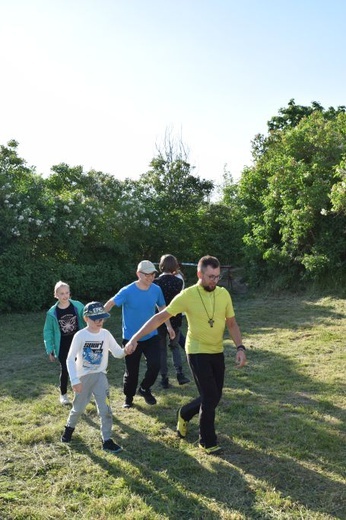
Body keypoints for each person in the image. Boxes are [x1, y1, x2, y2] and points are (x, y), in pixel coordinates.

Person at [126, 255, 247, 455]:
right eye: (210, 277)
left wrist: (240, 347)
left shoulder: (224, 294)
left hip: (217, 350)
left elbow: (232, 324)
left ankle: (185, 412)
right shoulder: (187, 295)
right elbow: (159, 317)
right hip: (197, 351)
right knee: (209, 397)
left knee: (214, 396)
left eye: (217, 277)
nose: (214, 281)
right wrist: (135, 338)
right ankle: (207, 441)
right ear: (199, 274)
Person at [61, 301, 134, 453]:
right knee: (78, 408)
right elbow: (69, 359)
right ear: (86, 318)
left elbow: (117, 353)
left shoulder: (105, 334)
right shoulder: (80, 335)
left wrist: (126, 350)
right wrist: (75, 380)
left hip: (100, 377)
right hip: (83, 378)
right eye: (96, 319)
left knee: (106, 410)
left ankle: (106, 440)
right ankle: (69, 429)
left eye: (102, 319)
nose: (100, 322)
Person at [104, 260, 174, 408]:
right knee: (132, 371)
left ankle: (144, 388)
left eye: (153, 274)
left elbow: (162, 307)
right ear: (138, 274)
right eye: (146, 275)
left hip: (151, 336)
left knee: (156, 364)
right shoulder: (127, 291)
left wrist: (169, 326)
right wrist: (98, 320)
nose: (150, 277)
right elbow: (110, 303)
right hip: (131, 338)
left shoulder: (156, 289)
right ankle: (129, 398)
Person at [43, 281, 84, 405]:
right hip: (62, 346)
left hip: (78, 343)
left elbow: (87, 318)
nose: (65, 296)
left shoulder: (78, 306)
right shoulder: (52, 313)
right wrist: (50, 349)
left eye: (67, 293)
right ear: (56, 295)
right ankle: (64, 394)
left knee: (80, 368)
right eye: (61, 293)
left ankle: (80, 392)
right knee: (66, 370)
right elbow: (48, 331)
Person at [154, 254, 190, 388]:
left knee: (162, 349)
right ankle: (180, 374)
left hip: (160, 318)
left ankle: (164, 378)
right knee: (175, 347)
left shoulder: (156, 282)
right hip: (175, 317)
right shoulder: (178, 282)